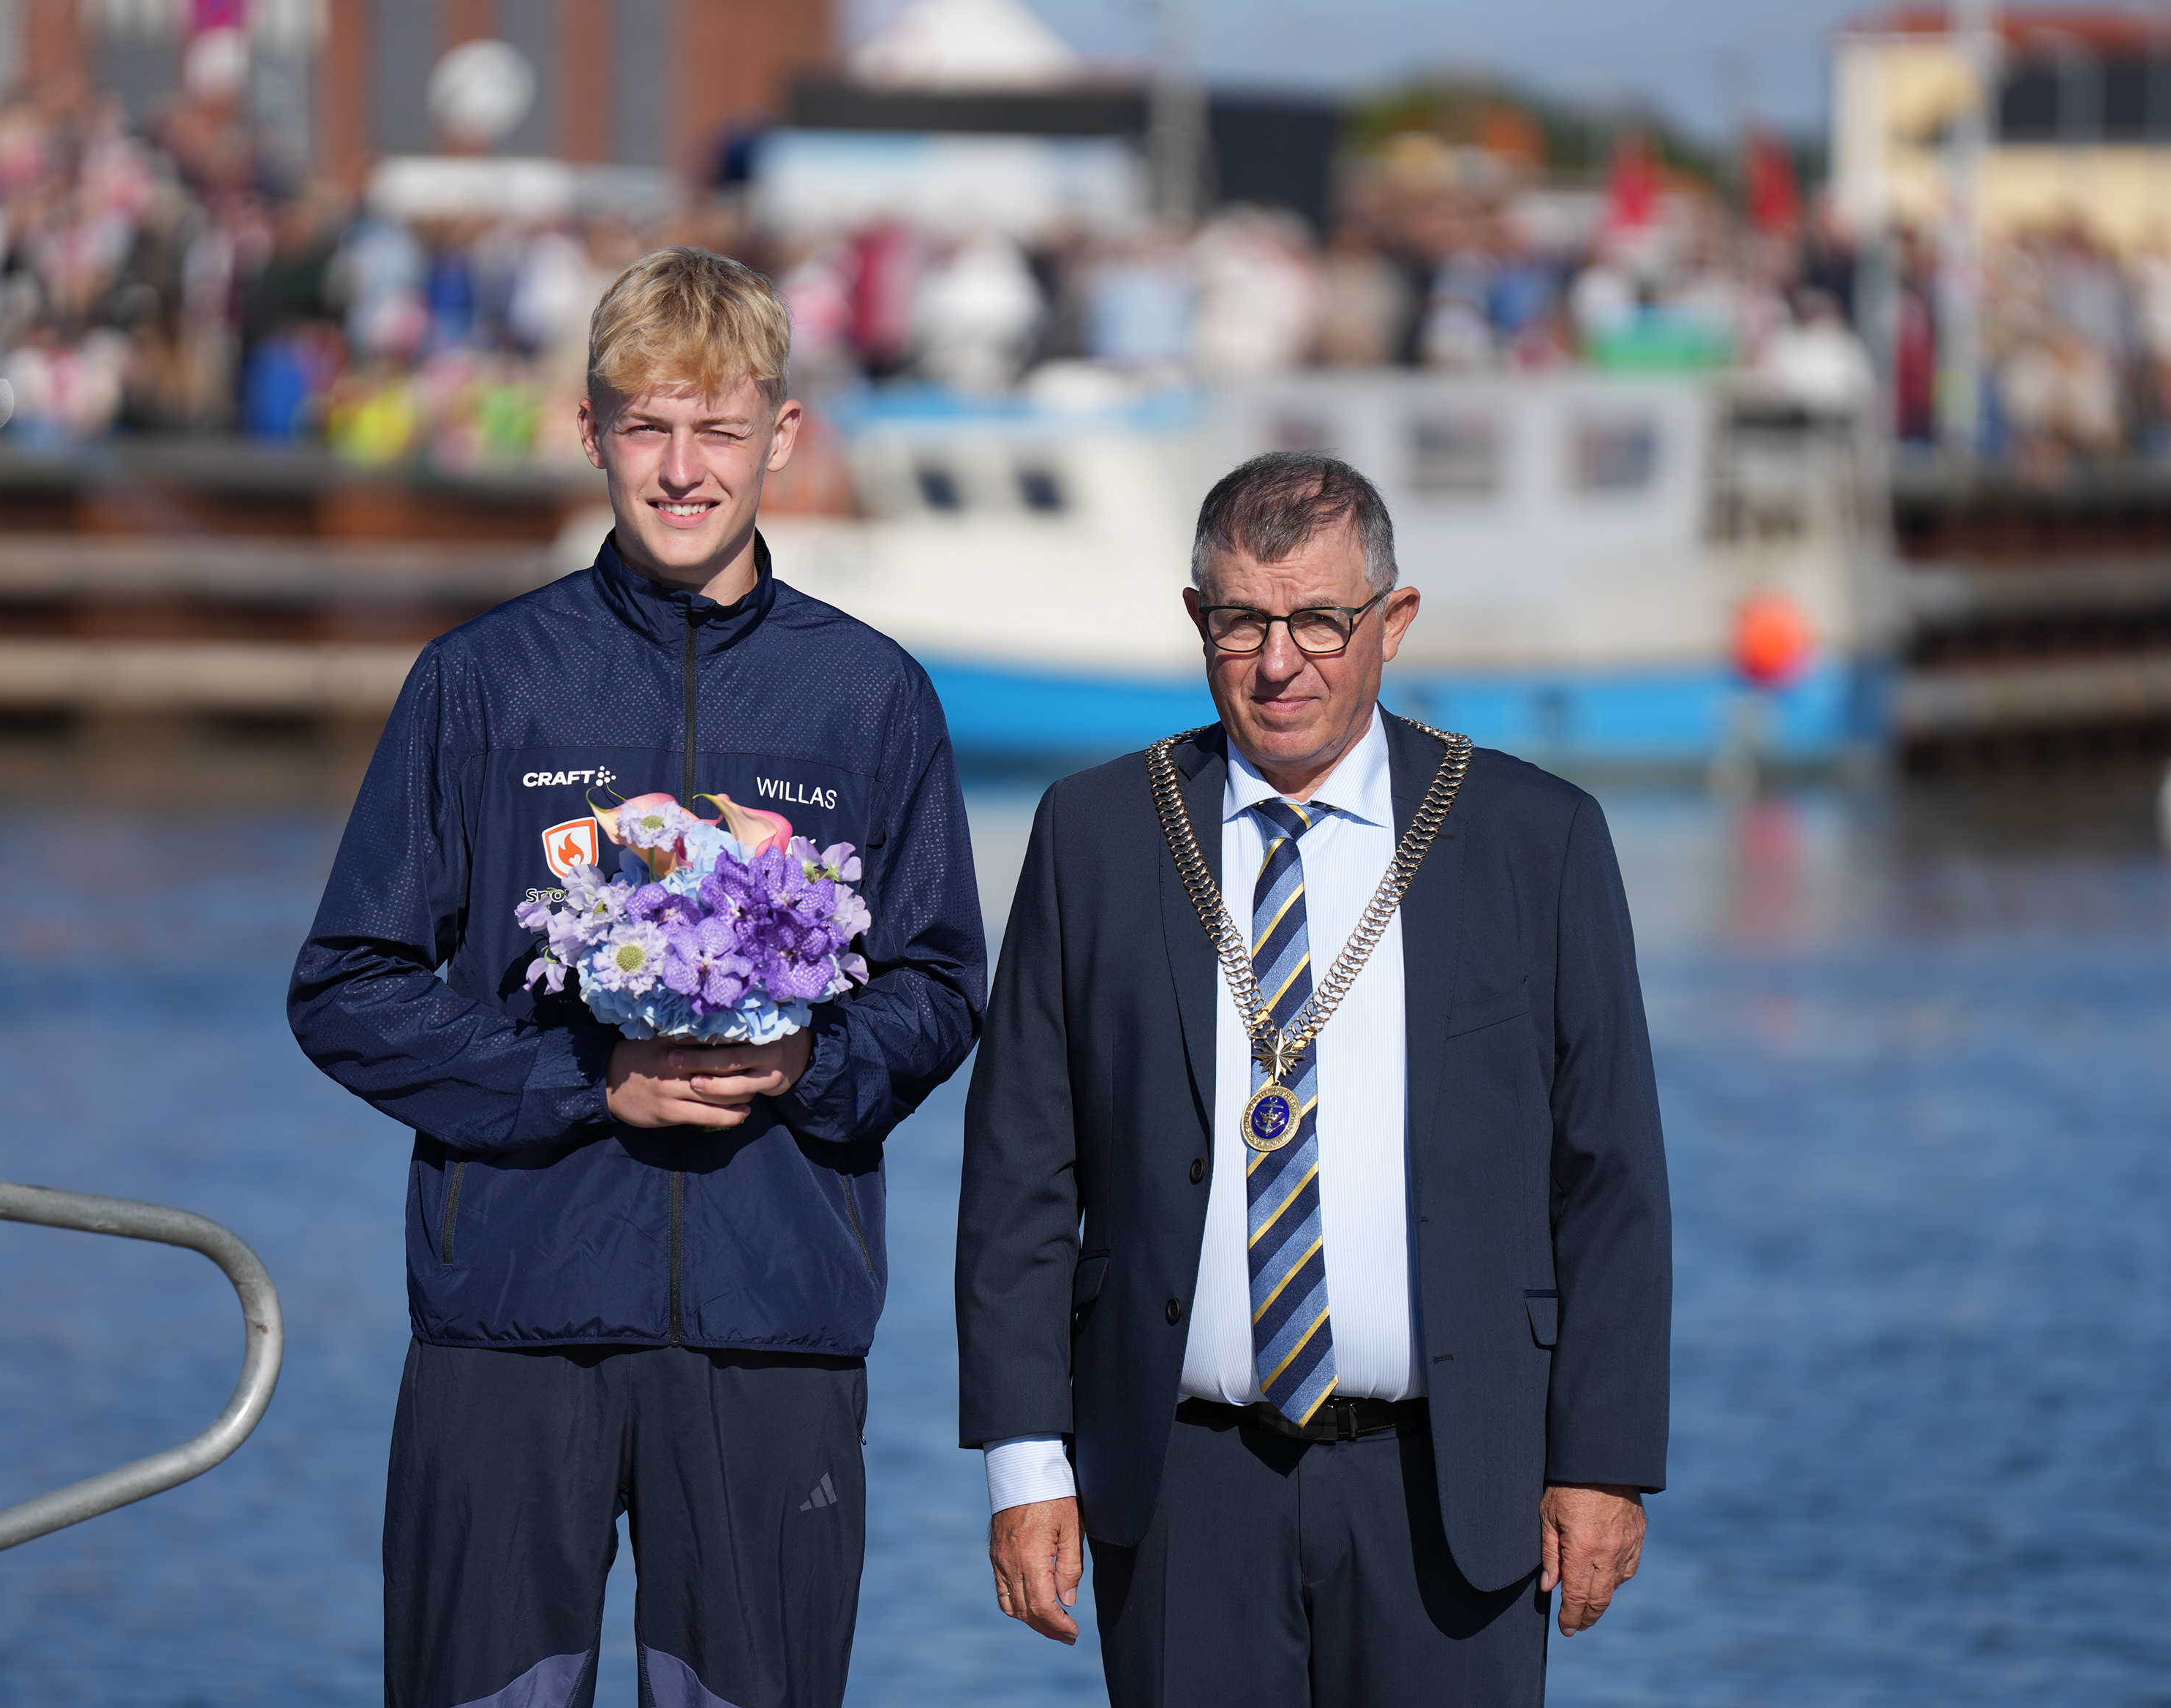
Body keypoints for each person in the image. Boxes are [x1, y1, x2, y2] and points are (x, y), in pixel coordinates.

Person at [287, 246, 985, 1708]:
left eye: (718, 428)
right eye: (648, 427)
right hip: (512, 1316)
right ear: (590, 431)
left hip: (773, 1323)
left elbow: (937, 987)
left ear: (782, 437)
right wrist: (585, 1080)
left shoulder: (869, 697)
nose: (682, 469)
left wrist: (809, 1064)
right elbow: (347, 985)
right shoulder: (485, 682)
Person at [956, 452, 1670, 1706]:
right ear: (1198, 621)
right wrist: (1025, 1463)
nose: (1278, 662)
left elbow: (1609, 1176)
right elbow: (1021, 1172)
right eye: (1242, 621)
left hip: (1457, 1485)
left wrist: (1602, 1460)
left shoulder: (1534, 838)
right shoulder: (1096, 835)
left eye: (1320, 622)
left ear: (1394, 621)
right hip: (1177, 1485)